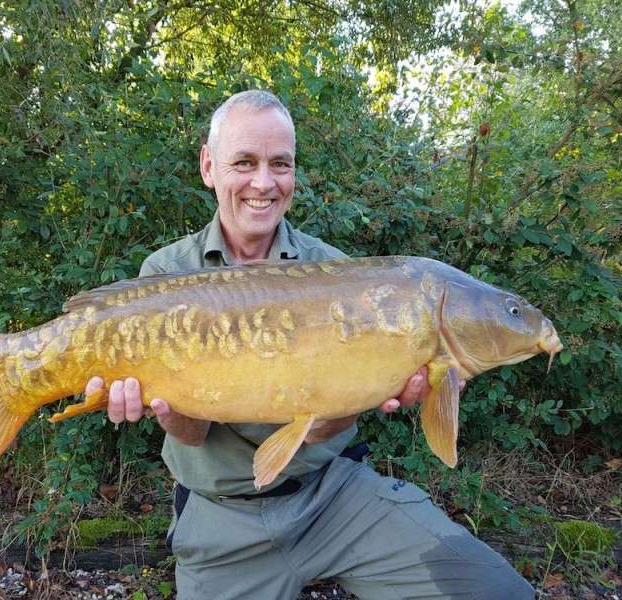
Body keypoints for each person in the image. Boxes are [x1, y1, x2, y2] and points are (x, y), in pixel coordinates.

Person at [86, 90, 535, 599]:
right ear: (209, 167)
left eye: (280, 164)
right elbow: (190, 435)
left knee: (498, 592)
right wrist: (160, 404)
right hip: (222, 515)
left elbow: (325, 428)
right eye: (245, 162)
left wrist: (366, 398)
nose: (264, 182)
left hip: (334, 497)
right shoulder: (165, 276)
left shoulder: (339, 274)